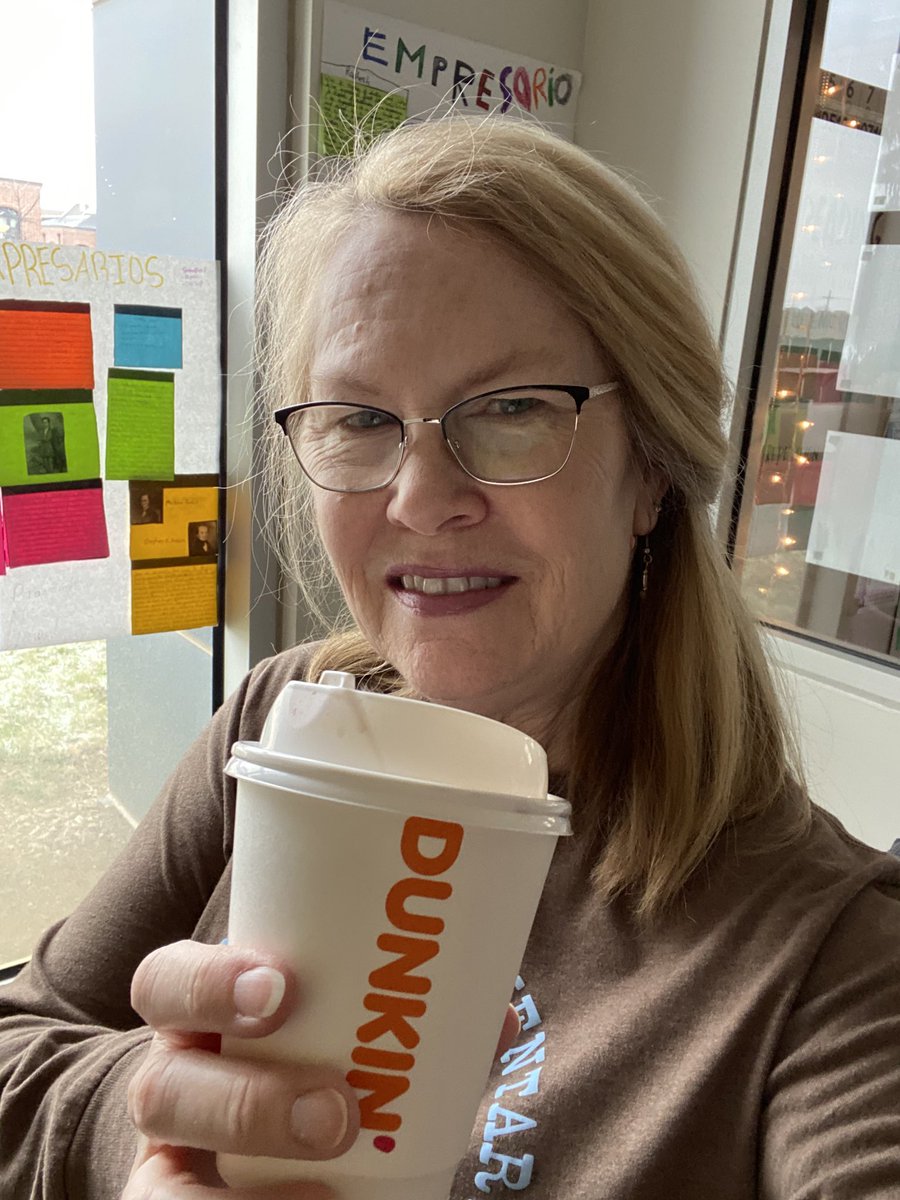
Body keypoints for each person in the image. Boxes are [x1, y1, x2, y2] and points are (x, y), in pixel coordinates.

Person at [1, 117, 899, 1200]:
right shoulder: (283, 722)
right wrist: (155, 1129)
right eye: (360, 419)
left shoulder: (839, 960)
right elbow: (20, 1046)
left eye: (512, 412)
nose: (421, 500)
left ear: (654, 468)